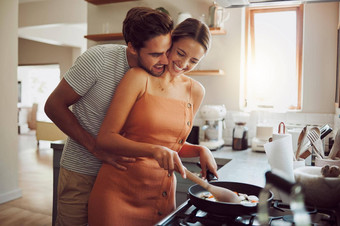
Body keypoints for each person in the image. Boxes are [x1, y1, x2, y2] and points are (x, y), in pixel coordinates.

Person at [44, 7, 174, 226]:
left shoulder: (159, 73)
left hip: (124, 180)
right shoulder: (99, 59)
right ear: (132, 47)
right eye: (155, 54)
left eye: (167, 51)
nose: (165, 60)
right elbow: (53, 105)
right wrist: (95, 147)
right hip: (83, 172)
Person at [88, 18, 218, 226]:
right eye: (180, 53)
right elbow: (105, 138)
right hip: (118, 192)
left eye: (193, 61)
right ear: (170, 45)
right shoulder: (138, 78)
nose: (183, 65)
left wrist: (200, 150)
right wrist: (154, 151)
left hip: (161, 195)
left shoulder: (195, 91)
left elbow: (171, 146)